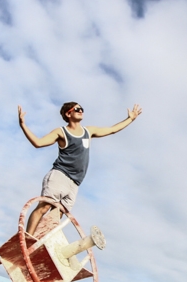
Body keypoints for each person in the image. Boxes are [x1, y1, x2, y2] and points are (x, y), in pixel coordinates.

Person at [18, 101, 142, 236]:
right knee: (44, 207)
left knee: (56, 215)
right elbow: (38, 143)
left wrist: (130, 119)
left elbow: (112, 130)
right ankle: (26, 239)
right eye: (77, 109)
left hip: (75, 183)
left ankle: (38, 244)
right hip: (60, 175)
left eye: (82, 108)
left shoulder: (88, 131)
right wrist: (23, 125)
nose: (81, 110)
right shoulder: (62, 132)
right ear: (68, 113)